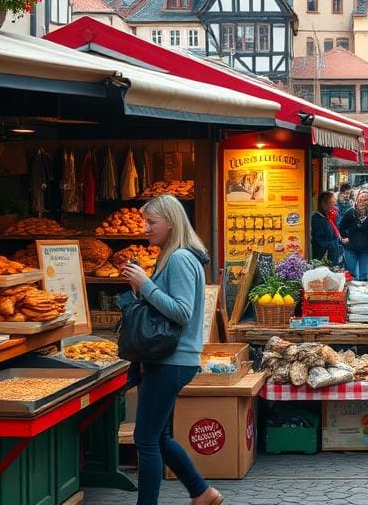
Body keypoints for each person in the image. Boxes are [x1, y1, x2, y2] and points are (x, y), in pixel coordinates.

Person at [120, 194, 222, 505]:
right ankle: (202, 492)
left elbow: (182, 312)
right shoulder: (175, 256)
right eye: (145, 222)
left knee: (146, 439)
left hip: (172, 360)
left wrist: (145, 285)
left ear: (171, 223)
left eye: (151, 222)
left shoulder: (179, 258)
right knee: (159, 436)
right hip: (170, 359)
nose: (146, 228)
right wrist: (142, 287)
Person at [338, 190, 368, 282]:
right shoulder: (350, 213)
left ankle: (363, 290)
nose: (362, 202)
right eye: (360, 199)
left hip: (366, 249)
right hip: (350, 248)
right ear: (357, 199)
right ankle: (352, 291)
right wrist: (344, 238)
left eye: (365, 200)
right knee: (352, 274)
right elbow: (340, 228)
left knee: (363, 275)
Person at [310, 191, 343, 265]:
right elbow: (319, 241)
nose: (335, 204)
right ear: (324, 204)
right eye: (332, 202)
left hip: (333, 255)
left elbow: (338, 230)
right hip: (325, 258)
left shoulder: (330, 216)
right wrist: (334, 244)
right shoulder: (317, 219)